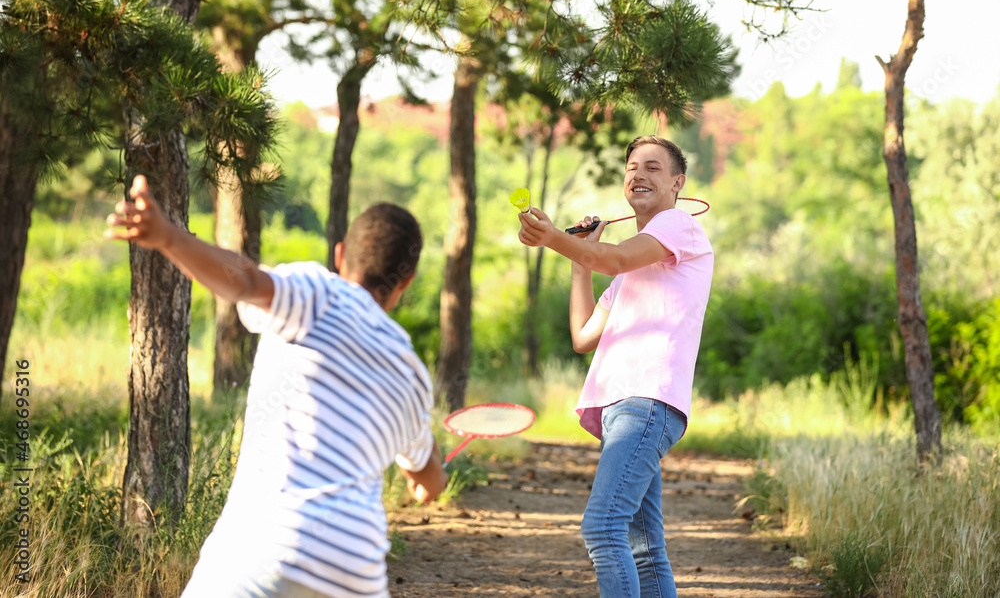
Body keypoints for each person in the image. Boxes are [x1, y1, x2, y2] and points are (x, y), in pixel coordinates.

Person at [106, 175, 449, 598]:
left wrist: (169, 237)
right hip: (353, 574)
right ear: (407, 280)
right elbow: (427, 481)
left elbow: (245, 280)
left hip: (263, 551)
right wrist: (428, 471)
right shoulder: (411, 370)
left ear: (340, 255)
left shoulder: (317, 293)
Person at [517, 135, 714, 597]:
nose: (638, 174)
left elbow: (616, 258)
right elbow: (584, 334)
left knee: (603, 528)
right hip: (620, 409)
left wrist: (558, 240)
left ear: (677, 184)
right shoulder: (630, 266)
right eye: (631, 168)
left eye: (652, 167)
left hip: (647, 403)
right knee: (642, 548)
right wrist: (579, 261)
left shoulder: (679, 227)